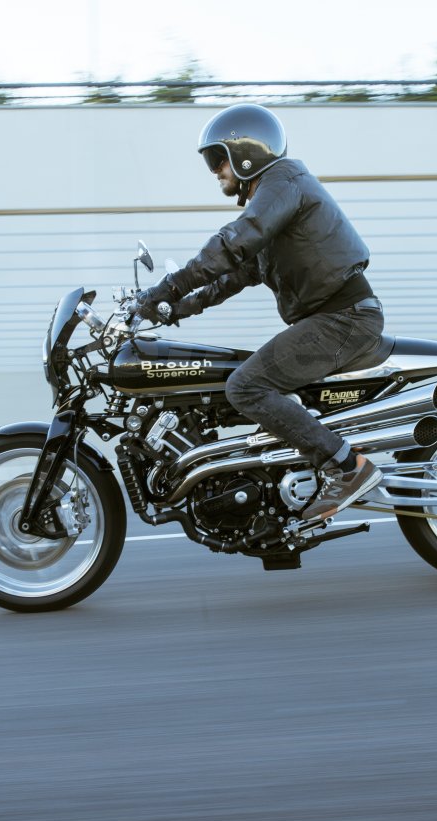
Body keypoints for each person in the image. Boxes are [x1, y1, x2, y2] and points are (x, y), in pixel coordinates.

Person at [134, 103, 385, 523]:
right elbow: (231, 277)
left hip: (345, 318)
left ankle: (346, 468)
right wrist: (172, 309)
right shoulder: (273, 207)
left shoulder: (283, 181)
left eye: (220, 159)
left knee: (245, 386)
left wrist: (169, 286)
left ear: (248, 154)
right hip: (331, 318)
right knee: (236, 383)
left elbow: (234, 242)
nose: (215, 170)